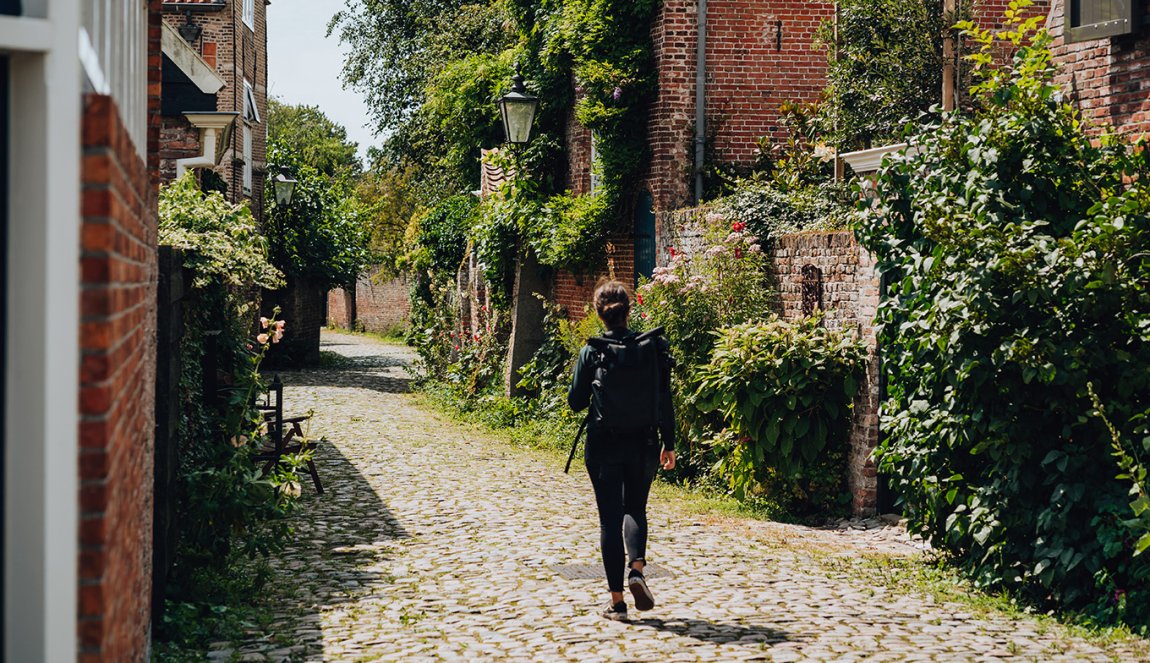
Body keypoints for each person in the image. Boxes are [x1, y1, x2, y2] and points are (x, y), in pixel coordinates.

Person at [567, 280, 676, 622]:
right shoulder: (651, 347)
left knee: (609, 519)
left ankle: (617, 603)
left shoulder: (593, 351)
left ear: (599, 314)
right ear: (629, 310)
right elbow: (664, 399)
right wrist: (669, 444)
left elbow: (575, 402)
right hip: (644, 441)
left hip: (603, 444)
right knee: (636, 509)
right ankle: (637, 569)